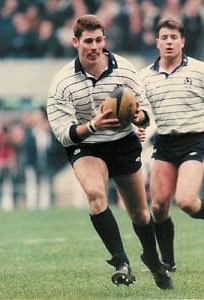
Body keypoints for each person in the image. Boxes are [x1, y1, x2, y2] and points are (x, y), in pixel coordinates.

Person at [47, 14, 173, 289]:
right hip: (86, 145)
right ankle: (121, 262)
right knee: (95, 194)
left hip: (121, 142)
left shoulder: (125, 70)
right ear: (75, 42)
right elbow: (62, 133)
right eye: (88, 41)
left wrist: (139, 117)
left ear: (105, 40)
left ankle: (152, 261)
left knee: (140, 213)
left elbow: (147, 112)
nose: (94, 47)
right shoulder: (61, 83)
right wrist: (92, 126)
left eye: (99, 40)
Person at [138, 17, 204, 272]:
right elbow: (141, 114)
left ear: (182, 41)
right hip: (164, 140)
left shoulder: (200, 70)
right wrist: (138, 125)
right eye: (164, 37)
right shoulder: (145, 77)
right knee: (158, 205)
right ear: (157, 42)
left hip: (194, 139)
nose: (168, 42)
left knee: (186, 200)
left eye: (173, 38)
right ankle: (169, 263)